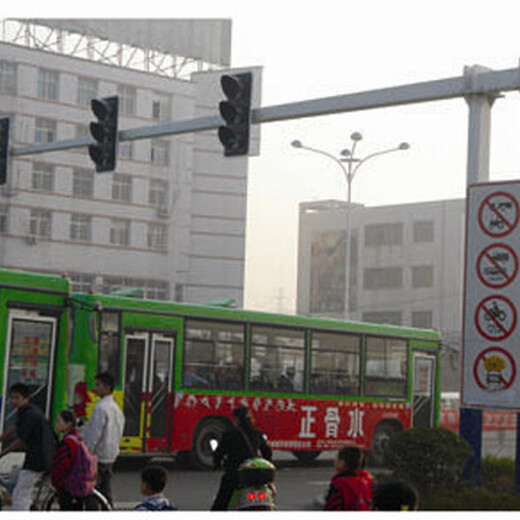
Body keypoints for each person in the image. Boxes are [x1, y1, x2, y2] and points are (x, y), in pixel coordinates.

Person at [0, 382, 56, 510]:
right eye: (12, 397)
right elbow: (14, 428)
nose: (13, 401)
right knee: (14, 475)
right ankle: (30, 506)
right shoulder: (25, 411)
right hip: (38, 456)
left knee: (19, 495)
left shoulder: (30, 414)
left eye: (17, 398)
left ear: (26, 398)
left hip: (38, 459)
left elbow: (20, 440)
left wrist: (2, 454)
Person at [211, 406, 272, 511]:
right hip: (256, 478)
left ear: (237, 419)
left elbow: (218, 454)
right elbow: (267, 453)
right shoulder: (257, 433)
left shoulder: (229, 435)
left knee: (220, 504)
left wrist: (216, 464)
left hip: (234, 476)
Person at [83, 372, 125, 507]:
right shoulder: (116, 408)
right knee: (106, 491)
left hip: (98, 456)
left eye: (98, 385)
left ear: (107, 388)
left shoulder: (100, 408)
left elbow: (94, 435)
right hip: (110, 455)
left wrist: (86, 453)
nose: (95, 388)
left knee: (92, 492)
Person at [52, 409, 96, 510]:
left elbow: (62, 466)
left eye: (59, 421)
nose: (56, 424)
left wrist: (56, 482)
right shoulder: (77, 439)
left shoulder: (67, 442)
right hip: (78, 485)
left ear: (68, 424)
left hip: (68, 486)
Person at [323, 446, 373, 511]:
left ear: (342, 462)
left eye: (337, 458)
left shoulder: (339, 483)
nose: (334, 461)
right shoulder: (367, 480)